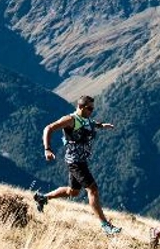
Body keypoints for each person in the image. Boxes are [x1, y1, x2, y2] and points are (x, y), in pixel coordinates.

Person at [32, 95, 122, 235]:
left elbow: (90, 123)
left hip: (80, 161)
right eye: (89, 108)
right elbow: (48, 128)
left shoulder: (85, 119)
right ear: (80, 107)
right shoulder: (70, 120)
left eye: (93, 108)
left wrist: (101, 125)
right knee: (93, 190)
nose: (92, 111)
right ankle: (106, 226)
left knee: (73, 192)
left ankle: (43, 198)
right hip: (75, 162)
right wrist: (47, 149)